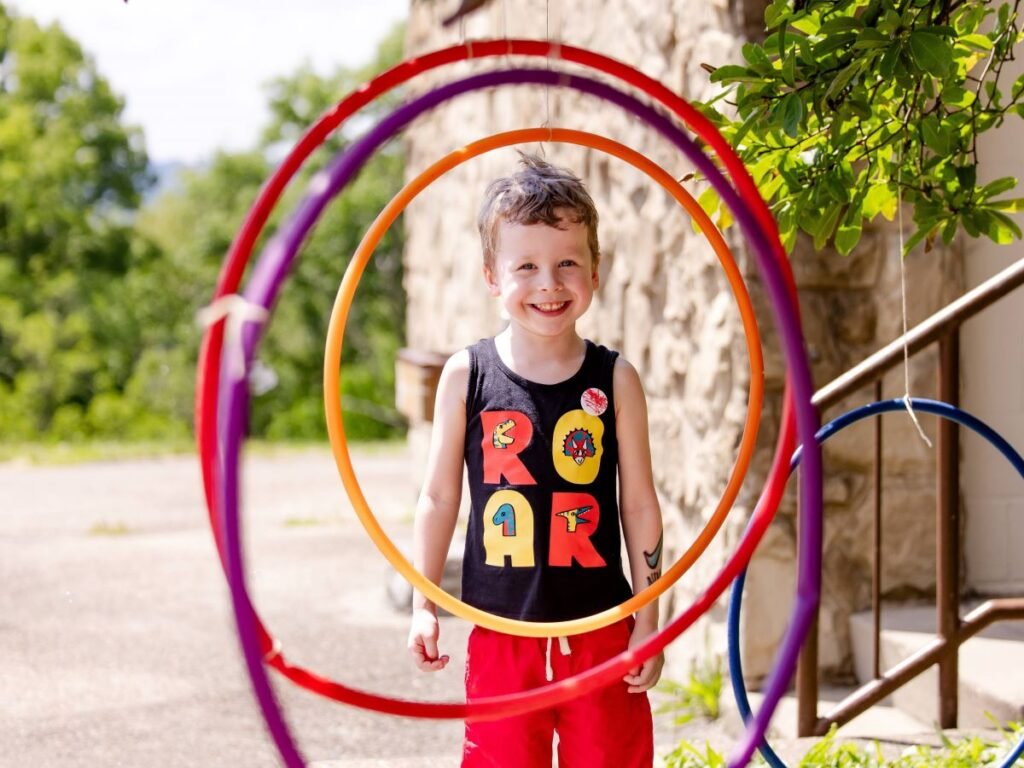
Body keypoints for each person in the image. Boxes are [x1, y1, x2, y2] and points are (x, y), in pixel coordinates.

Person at [407, 152, 664, 767]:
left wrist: (649, 619)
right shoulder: (466, 376)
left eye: (567, 262)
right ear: (492, 276)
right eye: (526, 266)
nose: (549, 283)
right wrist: (423, 605)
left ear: (595, 271)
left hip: (601, 628)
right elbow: (438, 498)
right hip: (502, 632)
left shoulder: (616, 379)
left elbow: (638, 504)